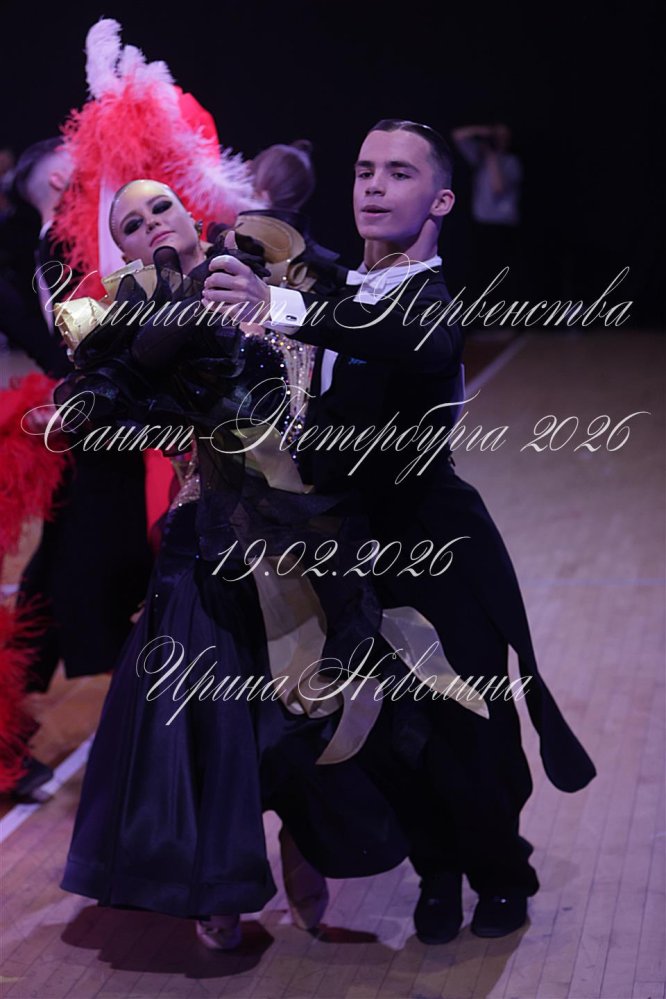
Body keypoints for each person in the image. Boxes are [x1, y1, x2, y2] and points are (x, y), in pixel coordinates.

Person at [202, 118, 596, 942]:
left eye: (399, 172)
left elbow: (408, 338)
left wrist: (277, 304)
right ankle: (436, 869)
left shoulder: (426, 302)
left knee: (469, 724)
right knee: (384, 731)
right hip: (350, 550)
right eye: (365, 170)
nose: (375, 185)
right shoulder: (343, 291)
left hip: (434, 547)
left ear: (441, 201)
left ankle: (500, 872)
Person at [58, 179, 409, 951]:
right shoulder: (135, 321)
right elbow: (96, 407)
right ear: (124, 250)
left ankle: (306, 848)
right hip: (210, 542)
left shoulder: (263, 268)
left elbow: (336, 322)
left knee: (307, 710)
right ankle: (219, 884)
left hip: (304, 531)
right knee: (216, 722)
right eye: (131, 222)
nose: (152, 222)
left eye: (161, 207)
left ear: (192, 216)